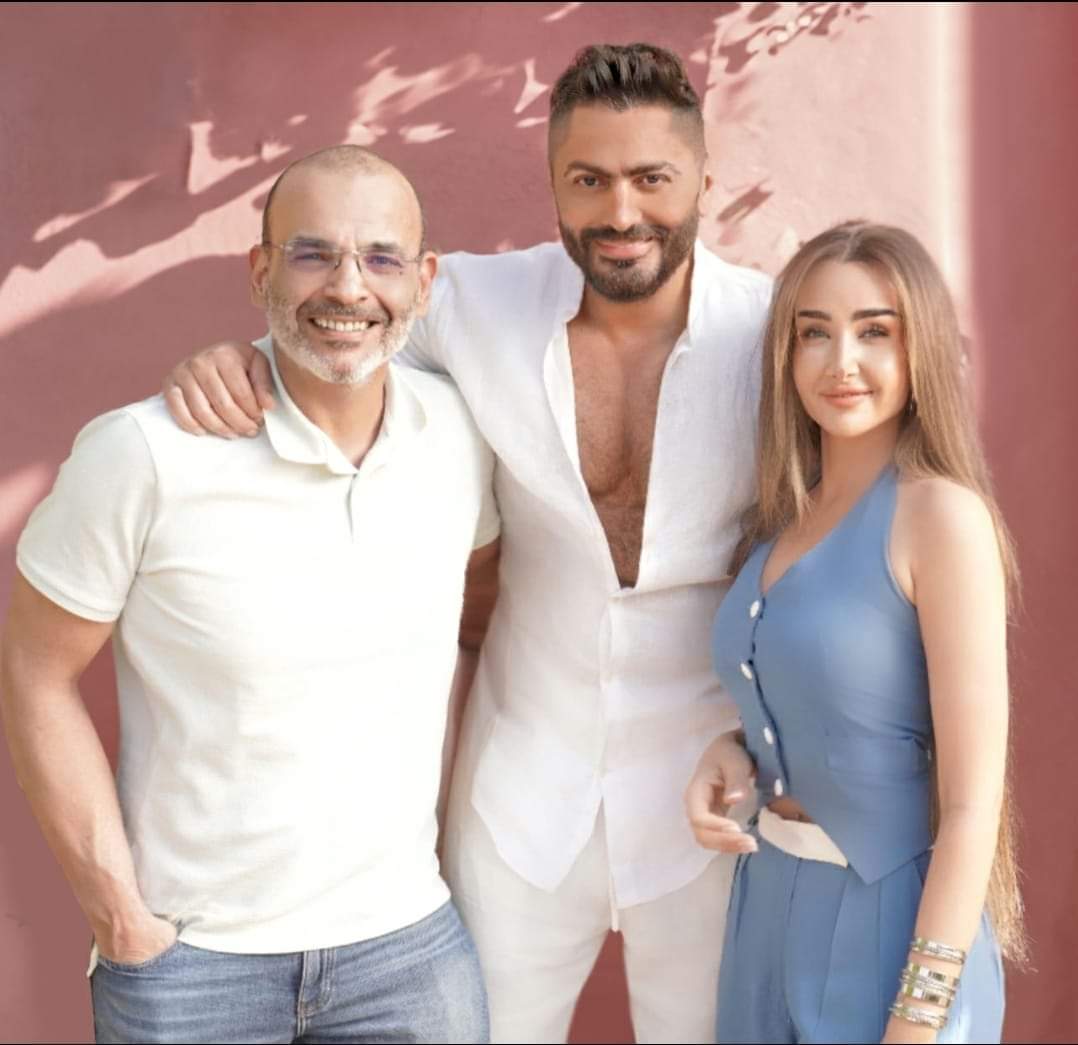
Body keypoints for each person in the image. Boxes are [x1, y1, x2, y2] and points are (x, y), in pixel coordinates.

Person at [158, 44, 771, 1044]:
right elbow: (341, 324)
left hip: (713, 801)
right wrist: (239, 359)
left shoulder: (777, 332)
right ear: (554, 185)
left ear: (704, 178)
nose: (620, 211)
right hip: (521, 792)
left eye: (651, 178)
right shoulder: (476, 304)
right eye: (588, 180)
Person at [0, 146, 500, 1044]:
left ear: (423, 283)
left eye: (381, 257)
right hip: (193, 965)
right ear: (261, 271)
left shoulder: (463, 437)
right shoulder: (143, 454)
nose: (348, 286)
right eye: (313, 253)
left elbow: (486, 606)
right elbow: (32, 671)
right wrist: (121, 919)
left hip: (409, 953)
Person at [685, 221, 1025, 1044]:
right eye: (815, 333)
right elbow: (826, 701)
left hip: (892, 930)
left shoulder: (941, 517)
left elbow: (972, 804)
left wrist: (919, 1013)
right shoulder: (778, 524)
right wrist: (734, 750)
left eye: (875, 331)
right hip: (763, 911)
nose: (841, 361)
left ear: (920, 349)